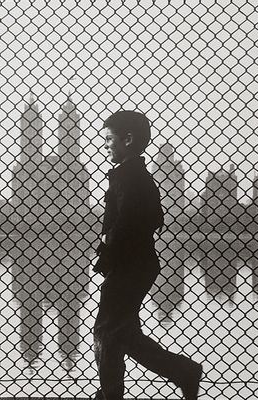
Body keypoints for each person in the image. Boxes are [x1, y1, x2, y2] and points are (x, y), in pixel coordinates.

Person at [92, 110, 203, 400]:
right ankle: (183, 372)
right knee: (124, 333)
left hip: (130, 267)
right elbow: (153, 217)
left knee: (106, 331)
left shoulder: (129, 177)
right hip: (138, 265)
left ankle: (110, 395)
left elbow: (128, 220)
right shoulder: (136, 175)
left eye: (109, 139)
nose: (106, 145)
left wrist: (109, 246)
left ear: (127, 139)